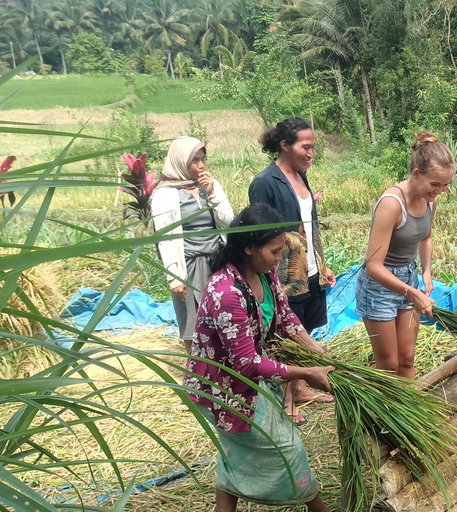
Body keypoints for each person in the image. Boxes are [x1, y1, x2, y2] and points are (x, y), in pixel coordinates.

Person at [183, 204, 334, 512]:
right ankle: (318, 507)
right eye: (275, 251)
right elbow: (246, 364)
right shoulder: (226, 292)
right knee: (287, 447)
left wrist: (315, 349)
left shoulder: (264, 275)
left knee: (236, 450)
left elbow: (285, 316)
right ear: (249, 247)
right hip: (221, 386)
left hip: (246, 378)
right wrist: (306, 373)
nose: (281, 259)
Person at [249, 117, 336, 424]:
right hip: (284, 273)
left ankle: (298, 388)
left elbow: (307, 226)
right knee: (286, 335)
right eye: (305, 147)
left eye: (313, 147)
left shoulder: (301, 176)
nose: (311, 153)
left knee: (306, 327)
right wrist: (270, 275)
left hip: (309, 269)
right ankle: (287, 399)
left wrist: (321, 264)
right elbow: (259, 234)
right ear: (284, 145)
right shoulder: (265, 182)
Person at [355, 130, 455, 379]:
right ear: (416, 174)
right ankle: (386, 416)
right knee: (389, 363)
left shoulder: (430, 198)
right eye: (435, 184)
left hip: (408, 278)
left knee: (407, 358)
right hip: (379, 285)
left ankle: (413, 411)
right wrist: (413, 293)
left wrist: (427, 272)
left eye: (445, 185)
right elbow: (373, 266)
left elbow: (426, 236)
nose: (440, 191)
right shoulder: (391, 204)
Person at [151, 136, 234, 354]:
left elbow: (228, 221)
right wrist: (175, 278)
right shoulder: (164, 194)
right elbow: (165, 238)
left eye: (203, 159)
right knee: (192, 324)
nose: (201, 165)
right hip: (187, 266)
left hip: (217, 262)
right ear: (180, 162)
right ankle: (197, 373)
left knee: (223, 319)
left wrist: (212, 194)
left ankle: (224, 369)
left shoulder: (211, 186)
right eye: (194, 160)